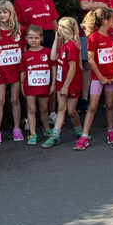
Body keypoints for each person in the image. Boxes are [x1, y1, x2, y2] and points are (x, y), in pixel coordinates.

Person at [78, 0, 113, 112]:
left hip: (107, 31)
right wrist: (103, 4)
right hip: (88, 31)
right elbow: (83, 5)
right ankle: (84, 98)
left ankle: (109, 98)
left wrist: (94, 4)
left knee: (109, 60)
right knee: (87, 64)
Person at [76, 9, 113, 150]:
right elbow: (90, 60)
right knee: (92, 107)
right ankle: (84, 136)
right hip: (98, 78)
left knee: (110, 104)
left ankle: (111, 131)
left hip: (110, 77)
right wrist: (100, 77)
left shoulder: (112, 37)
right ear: (106, 22)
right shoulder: (93, 37)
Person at [42, 17, 83, 148]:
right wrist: (56, 40)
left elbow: (73, 67)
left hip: (71, 83)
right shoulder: (62, 44)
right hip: (61, 81)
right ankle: (55, 135)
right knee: (61, 109)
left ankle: (79, 130)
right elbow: (53, 57)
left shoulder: (72, 46)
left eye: (60, 27)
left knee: (71, 111)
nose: (57, 29)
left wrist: (66, 86)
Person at [0, 1, 24, 144]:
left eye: (5, 12)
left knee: (15, 99)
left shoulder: (19, 30)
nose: (2, 15)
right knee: (0, 100)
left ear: (11, 13)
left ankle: (17, 128)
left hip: (15, 69)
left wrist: (25, 68)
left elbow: (24, 49)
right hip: (0, 70)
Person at [19, 25, 55, 146]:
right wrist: (21, 86)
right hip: (30, 87)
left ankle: (46, 129)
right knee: (31, 109)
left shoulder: (47, 52)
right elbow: (23, 72)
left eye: (36, 37)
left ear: (41, 38)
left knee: (44, 108)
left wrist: (53, 84)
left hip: (44, 86)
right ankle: (33, 133)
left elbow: (53, 68)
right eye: (30, 38)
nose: (33, 40)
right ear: (26, 39)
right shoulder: (25, 55)